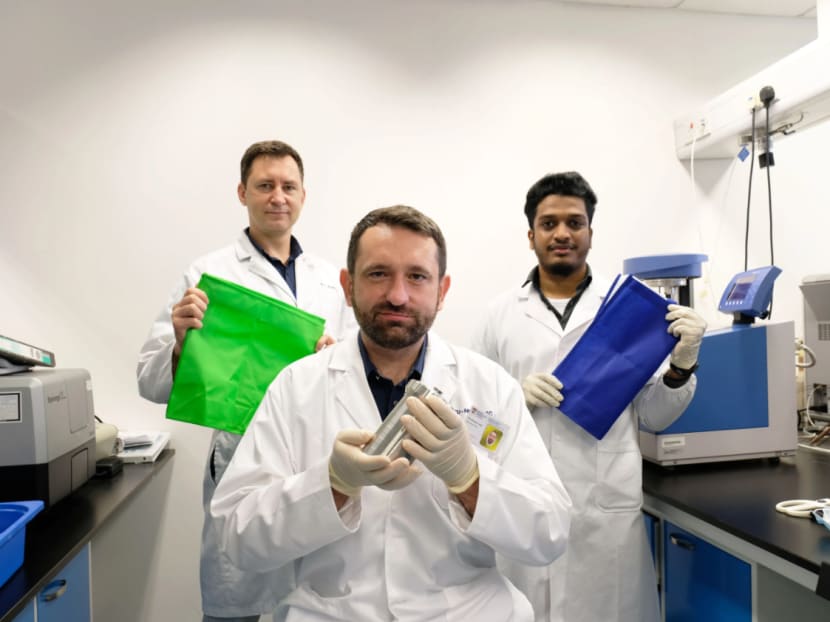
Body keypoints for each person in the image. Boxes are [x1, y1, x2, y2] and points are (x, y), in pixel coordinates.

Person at [210, 205, 573, 621]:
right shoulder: (297, 386)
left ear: (442, 291)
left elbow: (549, 534)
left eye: (417, 276)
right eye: (378, 274)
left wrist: (470, 478)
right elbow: (238, 538)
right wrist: (332, 484)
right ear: (348, 286)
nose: (398, 295)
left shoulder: (490, 385)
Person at [469, 172, 707, 622]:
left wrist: (682, 365)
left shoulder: (628, 309)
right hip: (524, 506)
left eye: (574, 223)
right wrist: (513, 398)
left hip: (605, 513)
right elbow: (471, 423)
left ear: (591, 234)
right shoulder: (498, 316)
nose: (562, 233)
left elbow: (654, 416)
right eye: (549, 223)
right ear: (531, 235)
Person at [136, 140, 355, 622]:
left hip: (315, 455)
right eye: (265, 185)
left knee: (314, 603)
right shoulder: (208, 274)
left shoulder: (330, 279)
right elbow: (149, 381)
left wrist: (336, 356)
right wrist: (180, 344)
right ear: (242, 193)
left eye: (288, 186)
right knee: (236, 601)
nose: (278, 196)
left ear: (303, 196)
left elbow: (356, 370)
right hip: (242, 456)